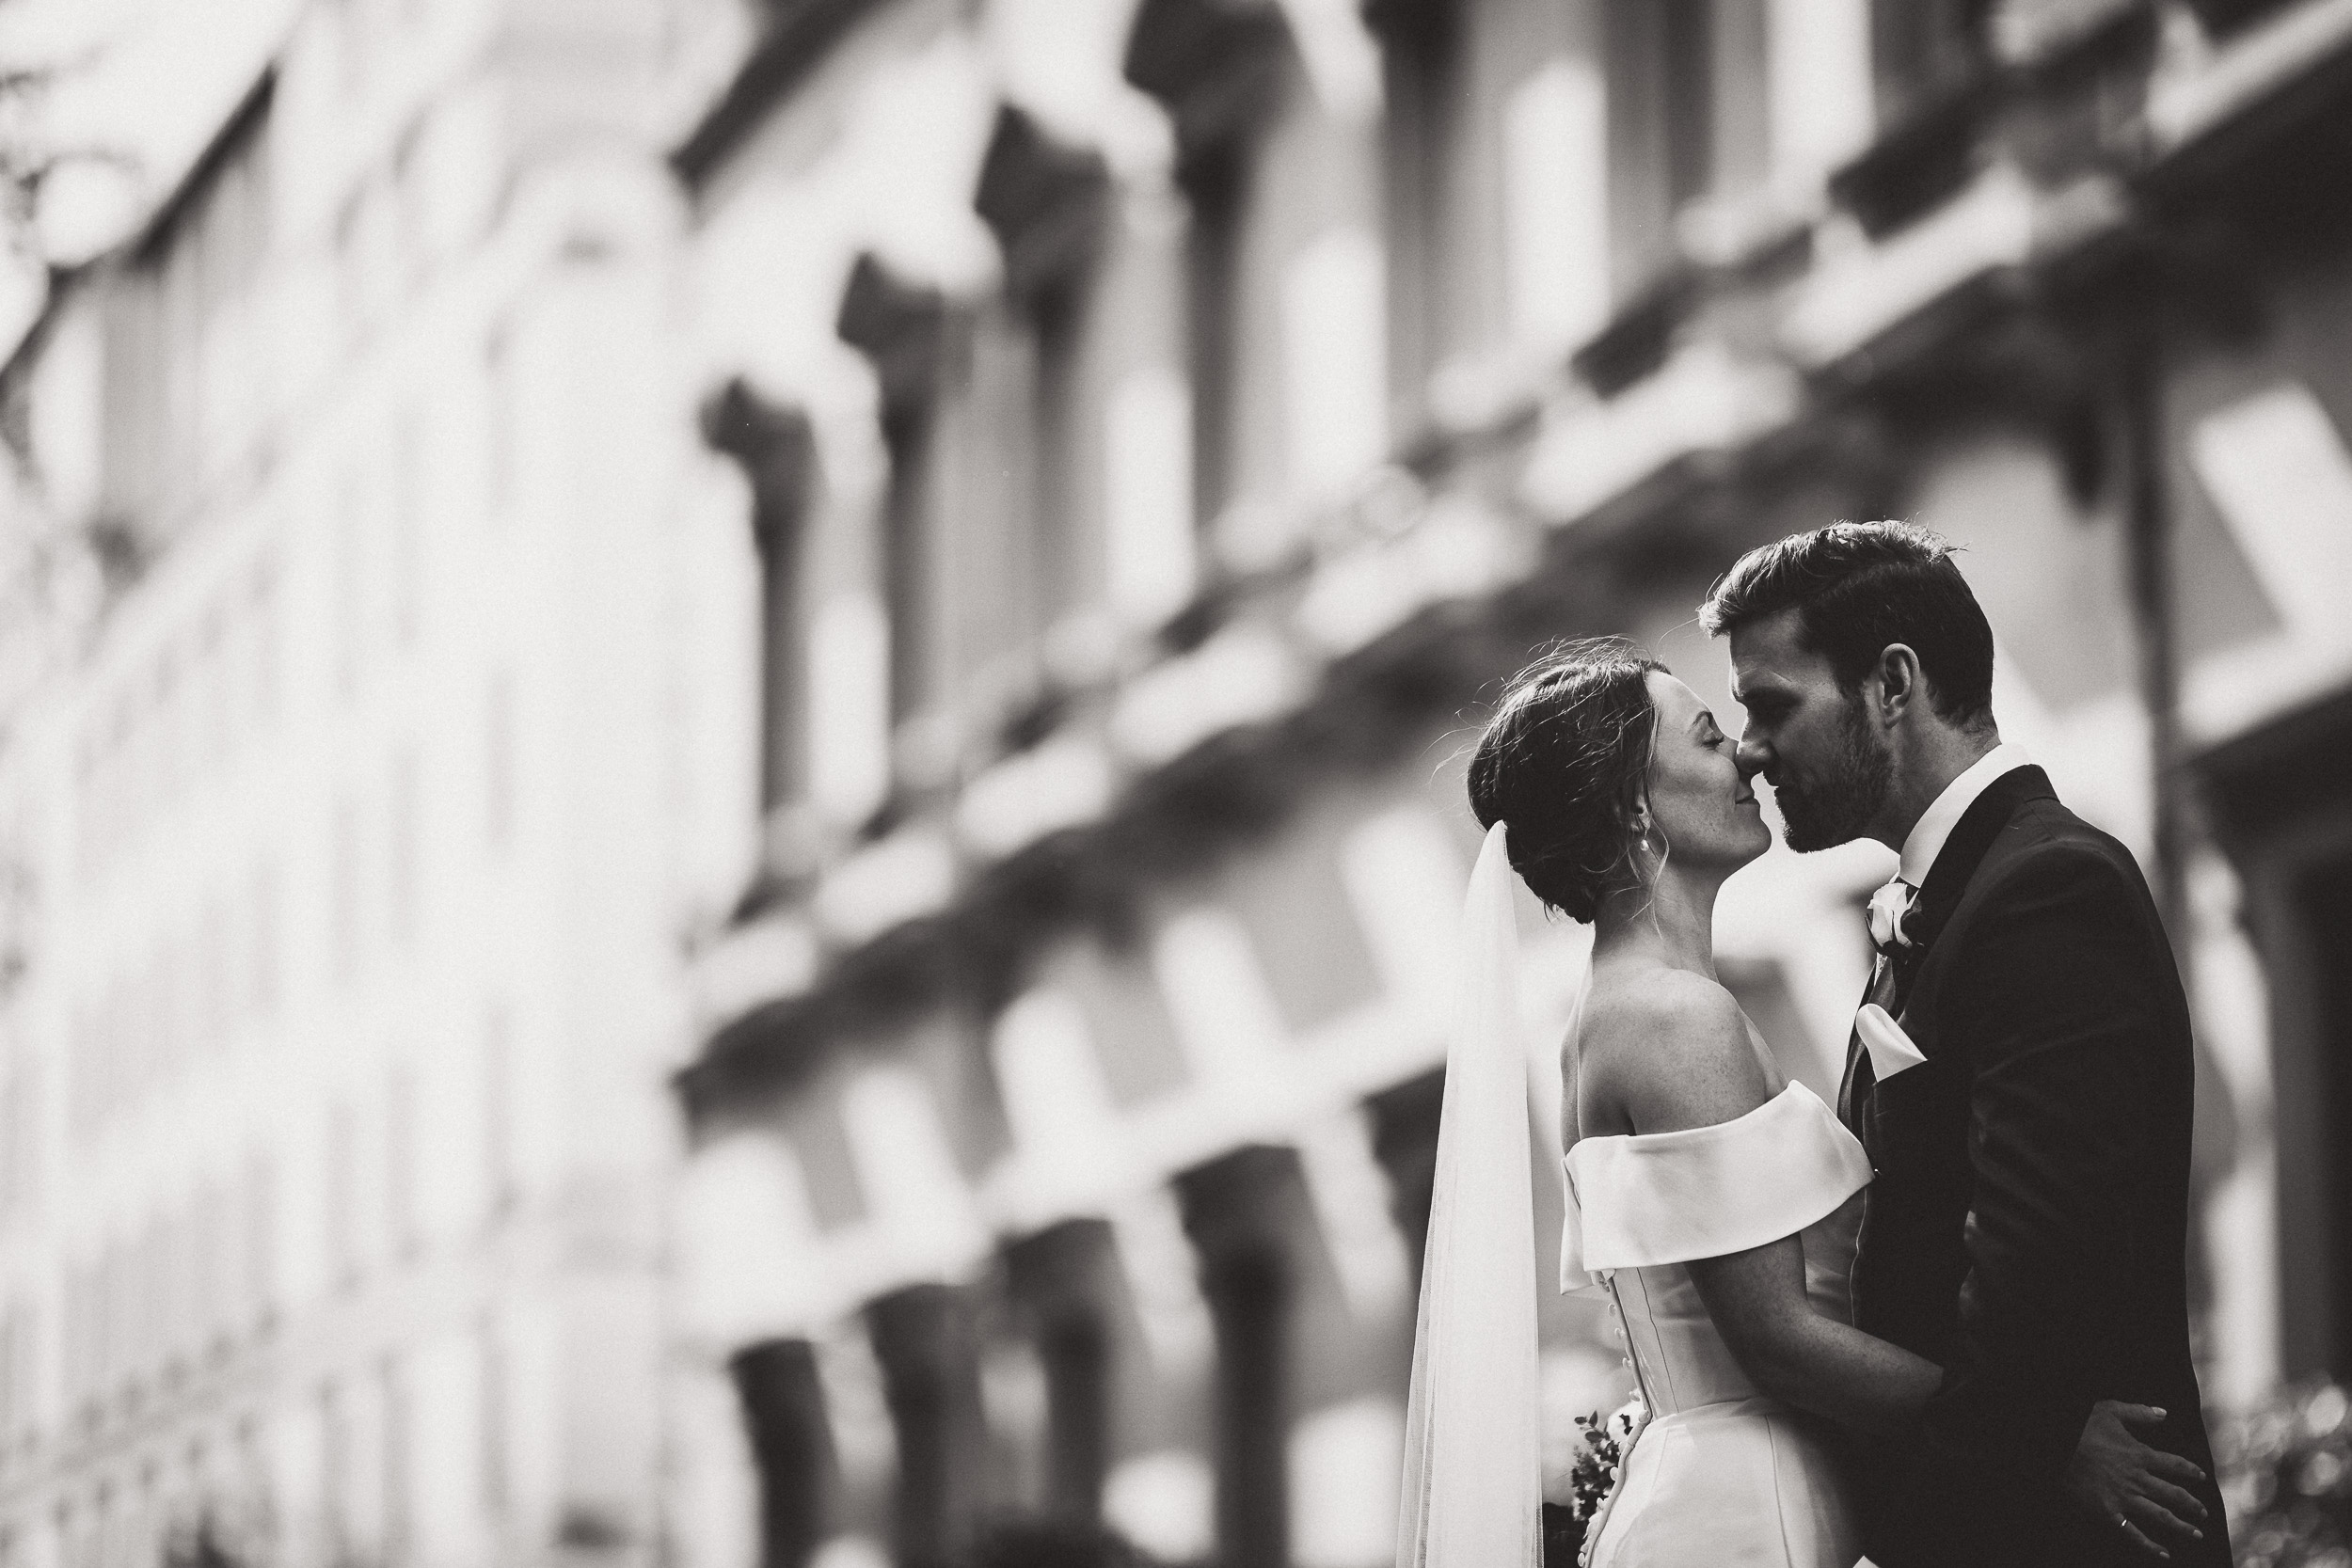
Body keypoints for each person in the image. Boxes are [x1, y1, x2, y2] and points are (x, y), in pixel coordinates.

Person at [1408, 617, 2210, 1568]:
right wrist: (2047, 1434)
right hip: (1753, 1509)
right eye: (1708, 737)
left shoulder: (1628, 1008)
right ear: (1634, 808)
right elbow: (1778, 1337)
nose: (1745, 757)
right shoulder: (1672, 1017)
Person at [1704, 523, 2230, 1566]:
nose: (1752, 748)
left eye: (1771, 705)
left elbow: (2034, 1287)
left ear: (1891, 683)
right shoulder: (1940, 899)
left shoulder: (2044, 888)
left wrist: (1900, 1542)